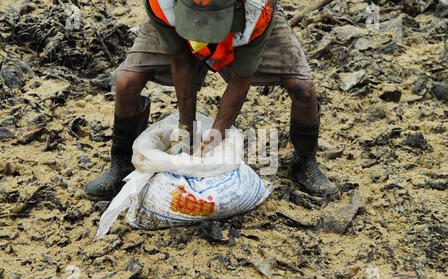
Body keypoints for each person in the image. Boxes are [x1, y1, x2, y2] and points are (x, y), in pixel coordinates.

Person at [85, 0, 338, 199]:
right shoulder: (161, 4)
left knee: (303, 88)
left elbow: (240, 78)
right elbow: (181, 59)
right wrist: (186, 130)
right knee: (126, 82)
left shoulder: (257, 9)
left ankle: (305, 162)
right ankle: (121, 163)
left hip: (246, 23)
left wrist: (215, 137)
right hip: (177, 18)